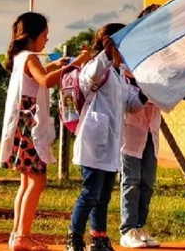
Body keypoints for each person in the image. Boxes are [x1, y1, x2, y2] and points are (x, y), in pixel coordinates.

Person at [0, 12, 91, 251]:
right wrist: (75, 64)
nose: (46, 41)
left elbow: (38, 75)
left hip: (21, 124)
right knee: (37, 181)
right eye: (44, 36)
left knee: (27, 181)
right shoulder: (30, 57)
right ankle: (22, 236)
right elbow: (45, 81)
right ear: (32, 36)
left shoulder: (22, 57)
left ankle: (17, 234)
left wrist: (55, 65)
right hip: (30, 125)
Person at [66, 23, 149, 251]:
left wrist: (145, 92)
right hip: (94, 141)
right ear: (111, 44)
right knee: (90, 193)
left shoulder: (120, 73)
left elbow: (131, 105)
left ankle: (99, 238)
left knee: (103, 196)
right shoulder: (95, 67)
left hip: (111, 144)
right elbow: (90, 77)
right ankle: (74, 238)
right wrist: (107, 52)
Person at [120, 4, 163, 248]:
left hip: (151, 130)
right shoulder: (129, 58)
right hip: (132, 129)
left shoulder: (162, 58)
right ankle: (128, 229)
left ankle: (140, 226)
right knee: (131, 180)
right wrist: (147, 93)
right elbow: (127, 101)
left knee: (147, 182)